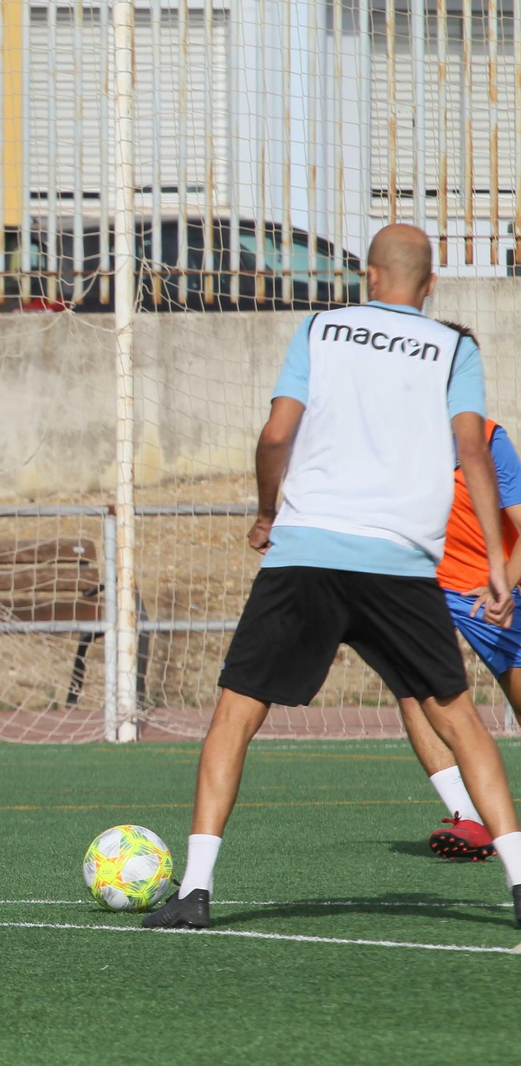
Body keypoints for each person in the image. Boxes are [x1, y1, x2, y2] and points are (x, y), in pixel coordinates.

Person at [143, 224, 521, 931]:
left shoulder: (321, 329)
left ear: (370, 277)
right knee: (461, 721)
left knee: (234, 718)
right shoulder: (454, 348)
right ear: (430, 285)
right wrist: (499, 566)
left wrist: (265, 513)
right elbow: (472, 448)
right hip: (402, 563)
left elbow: (277, 435)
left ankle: (195, 891)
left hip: (308, 551)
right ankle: (520, 881)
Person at [389, 407, 521, 861]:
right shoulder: (393, 436)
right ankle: (469, 818)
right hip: (425, 586)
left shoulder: (486, 439)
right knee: (413, 689)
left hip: (490, 586)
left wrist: (504, 582)